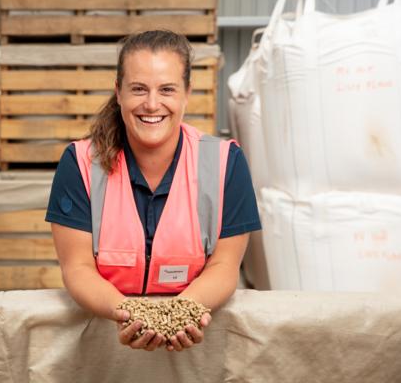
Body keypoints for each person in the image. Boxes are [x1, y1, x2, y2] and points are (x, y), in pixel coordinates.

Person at [46, 30, 261, 352]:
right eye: (138, 89)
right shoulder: (80, 163)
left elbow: (224, 266)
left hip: (196, 344)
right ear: (118, 92)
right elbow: (77, 268)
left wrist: (182, 312)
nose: (151, 104)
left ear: (187, 93)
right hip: (102, 344)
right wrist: (129, 314)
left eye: (167, 89)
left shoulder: (225, 162)